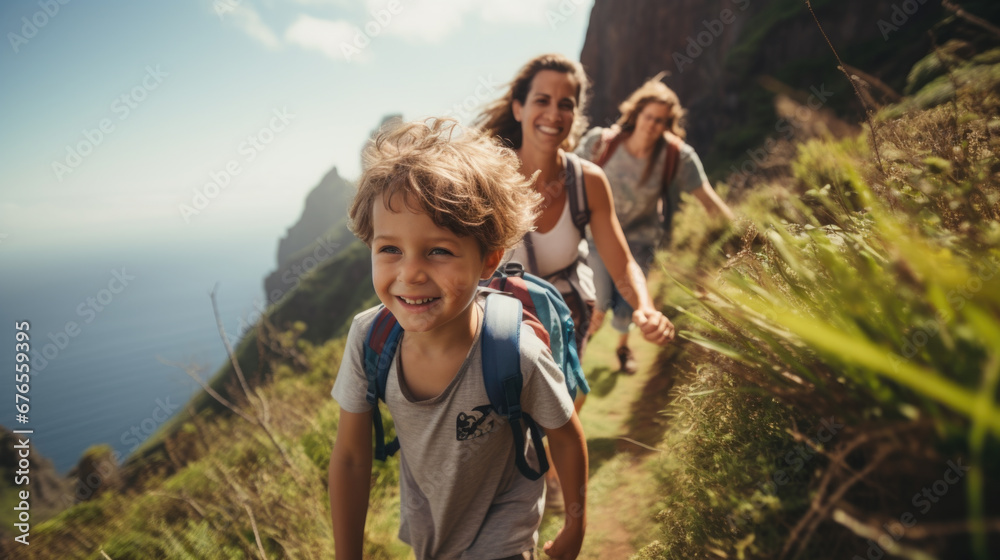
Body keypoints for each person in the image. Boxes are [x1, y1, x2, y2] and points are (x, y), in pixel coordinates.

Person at [328, 119, 588, 560]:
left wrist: (576, 525)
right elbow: (352, 458)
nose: (410, 273)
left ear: (488, 260)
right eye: (389, 249)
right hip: (430, 533)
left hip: (504, 536)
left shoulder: (516, 352)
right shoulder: (370, 339)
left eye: (439, 250)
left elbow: (565, 435)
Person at [476, 54, 676, 374]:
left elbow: (622, 263)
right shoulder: (485, 177)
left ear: (575, 114)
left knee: (566, 412)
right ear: (519, 108)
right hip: (492, 331)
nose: (554, 114)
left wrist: (646, 309)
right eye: (542, 100)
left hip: (562, 330)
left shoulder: (589, 182)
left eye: (566, 104)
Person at [576, 77, 734, 373]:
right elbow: (565, 178)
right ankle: (575, 358)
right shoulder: (601, 142)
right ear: (636, 114)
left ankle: (622, 349)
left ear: (668, 124)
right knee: (596, 301)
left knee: (629, 307)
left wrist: (742, 237)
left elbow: (710, 200)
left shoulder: (677, 156)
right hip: (595, 235)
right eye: (649, 117)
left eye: (661, 120)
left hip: (640, 240)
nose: (652, 125)